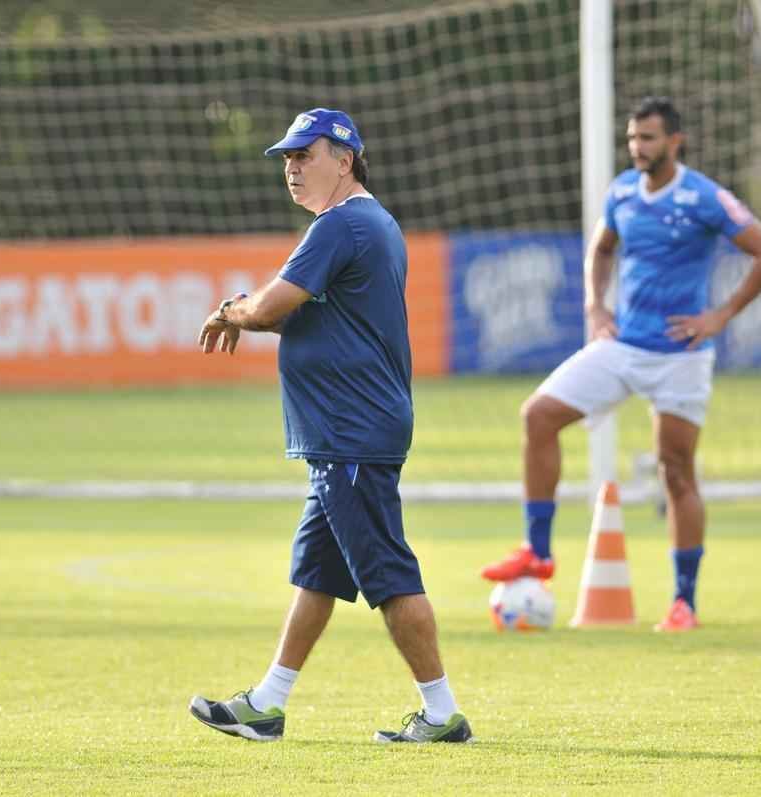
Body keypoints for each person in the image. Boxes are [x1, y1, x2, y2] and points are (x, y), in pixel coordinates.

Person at [188, 108, 472, 743]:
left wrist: (233, 309)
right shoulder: (367, 222)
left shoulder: (342, 225)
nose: (291, 166)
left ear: (344, 160)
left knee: (390, 574)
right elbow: (306, 313)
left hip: (352, 433)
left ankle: (443, 713)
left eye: (304, 155)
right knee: (317, 573)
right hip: (347, 434)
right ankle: (266, 704)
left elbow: (270, 307)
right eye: (287, 157)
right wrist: (251, 311)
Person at [480, 96, 761, 632]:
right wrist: (596, 305)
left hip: (681, 355)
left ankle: (683, 602)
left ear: (674, 141)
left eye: (647, 138)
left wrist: (720, 315)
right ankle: (539, 552)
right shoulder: (622, 191)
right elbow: (601, 250)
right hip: (623, 346)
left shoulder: (704, 196)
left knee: (676, 470)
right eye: (632, 139)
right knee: (538, 415)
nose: (637, 148)